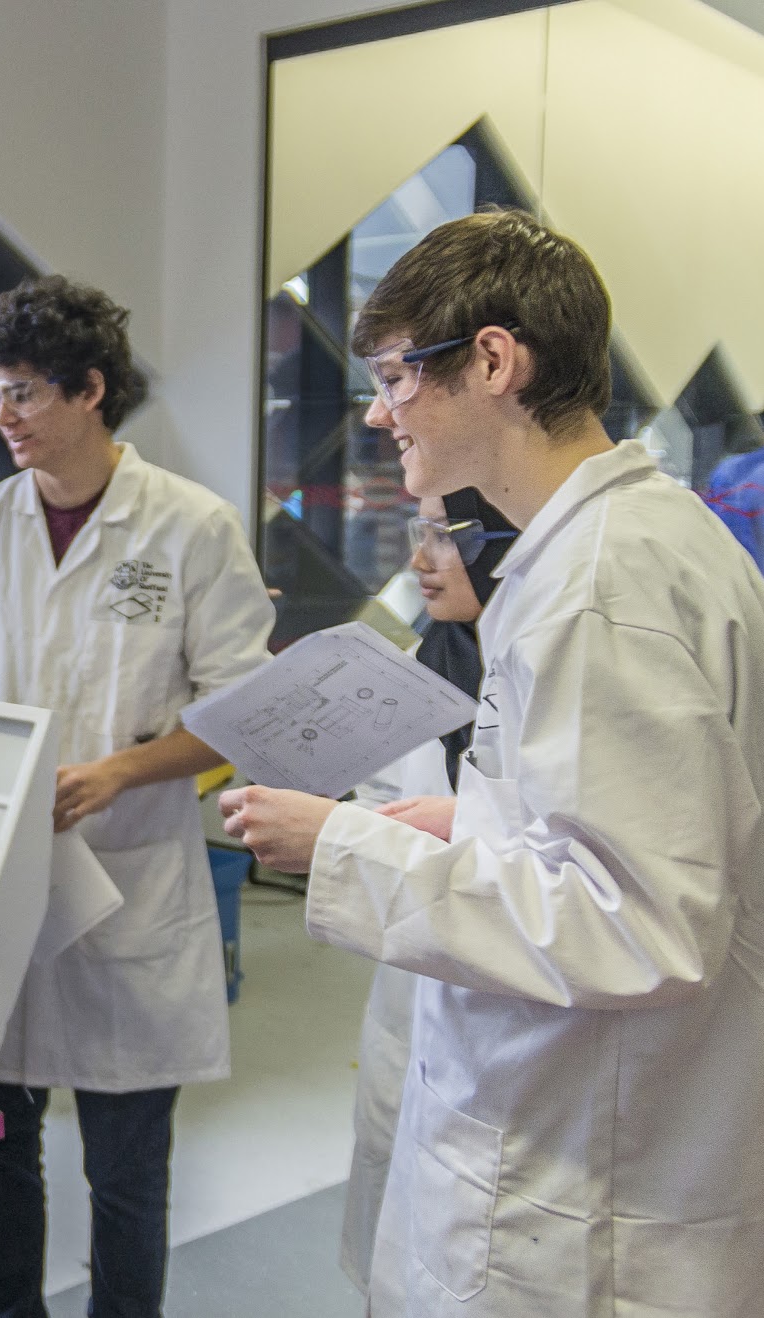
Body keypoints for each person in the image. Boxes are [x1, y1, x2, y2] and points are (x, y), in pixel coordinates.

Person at [220, 211, 764, 1316]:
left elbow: (640, 921)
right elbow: (620, 836)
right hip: (569, 1132)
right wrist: (460, 825)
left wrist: (349, 846)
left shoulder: (602, 581)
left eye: (391, 376)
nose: (377, 413)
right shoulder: (611, 548)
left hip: (578, 1192)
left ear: (492, 360)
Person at [0, 276, 275, 1318]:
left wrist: (118, 771)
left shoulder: (191, 527)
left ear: (90, 389)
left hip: (127, 880)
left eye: (24, 392)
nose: (5, 418)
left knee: (124, 1172)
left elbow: (241, 708)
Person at [339, 488, 516, 1297]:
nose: (419, 562)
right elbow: (379, 800)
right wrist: (335, 827)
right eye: (419, 536)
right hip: (414, 990)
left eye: (442, 539)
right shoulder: (420, 668)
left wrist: (465, 822)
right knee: (397, 1240)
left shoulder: (550, 670)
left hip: (519, 1000)